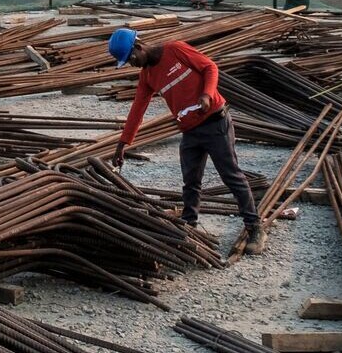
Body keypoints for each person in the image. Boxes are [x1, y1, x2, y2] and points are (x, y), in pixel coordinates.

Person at [106, 27, 264, 254]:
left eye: (131, 59)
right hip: (190, 131)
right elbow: (137, 109)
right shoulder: (147, 76)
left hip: (214, 123)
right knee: (190, 181)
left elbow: (210, 67)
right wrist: (123, 144)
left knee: (232, 176)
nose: (132, 64)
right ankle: (189, 226)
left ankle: (255, 228)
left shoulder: (175, 49)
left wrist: (207, 94)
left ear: (139, 47)